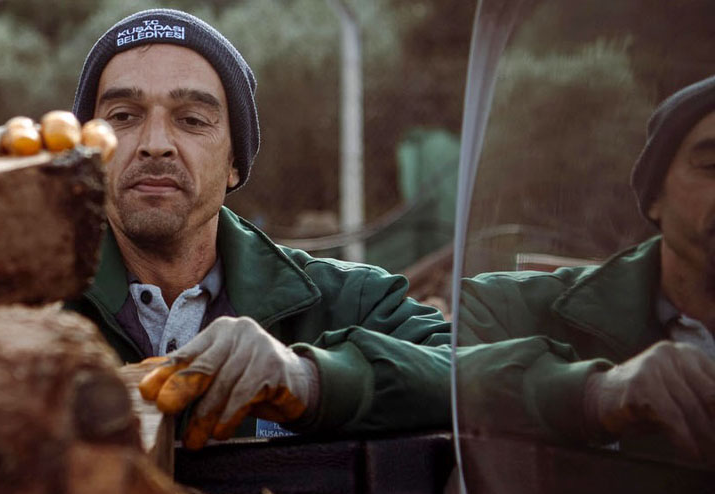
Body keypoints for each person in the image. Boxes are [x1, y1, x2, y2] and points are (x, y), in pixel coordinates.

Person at [53, 9, 451, 448]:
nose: (155, 144)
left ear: (234, 164)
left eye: (192, 120)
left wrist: (311, 380)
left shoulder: (345, 303)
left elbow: (467, 374)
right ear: (88, 154)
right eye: (124, 116)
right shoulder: (28, 307)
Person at [457, 74, 715, 462]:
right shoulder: (510, 311)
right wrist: (594, 393)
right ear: (654, 197)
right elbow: (431, 382)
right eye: (712, 164)